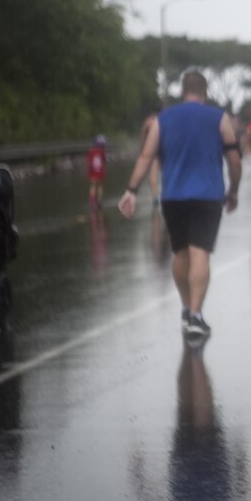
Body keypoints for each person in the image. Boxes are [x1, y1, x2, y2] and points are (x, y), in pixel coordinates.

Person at [118, 70, 242, 341]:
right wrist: (233, 191)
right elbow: (234, 160)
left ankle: (186, 308)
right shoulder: (219, 118)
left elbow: (146, 156)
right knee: (200, 254)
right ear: (205, 91)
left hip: (173, 196)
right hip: (208, 195)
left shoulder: (162, 120)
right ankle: (196, 316)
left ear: (183, 91)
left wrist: (130, 190)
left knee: (181, 254)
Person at [139, 107, 162, 206]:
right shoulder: (162, 121)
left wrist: (143, 149)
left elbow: (143, 136)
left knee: (153, 175)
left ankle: (154, 196)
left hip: (152, 150)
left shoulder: (148, 121)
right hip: (162, 149)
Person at [86, 134, 107, 208]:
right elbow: (104, 163)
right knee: (100, 186)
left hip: (93, 171)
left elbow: (88, 163)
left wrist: (88, 171)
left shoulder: (90, 151)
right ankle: (99, 202)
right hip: (100, 172)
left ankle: (92, 202)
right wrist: (104, 172)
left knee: (93, 186)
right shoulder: (102, 152)